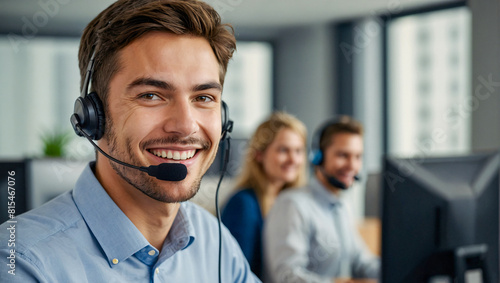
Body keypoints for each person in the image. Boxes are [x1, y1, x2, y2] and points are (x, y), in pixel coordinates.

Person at [0, 0, 261, 282]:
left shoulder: (217, 244)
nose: (185, 125)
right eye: (151, 95)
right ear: (92, 115)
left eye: (203, 98)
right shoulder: (22, 262)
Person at [264, 116, 380, 283]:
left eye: (357, 157)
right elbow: (287, 276)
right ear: (318, 156)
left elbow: (361, 261)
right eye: (343, 155)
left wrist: (402, 270)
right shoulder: (292, 205)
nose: (352, 165)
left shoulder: (342, 206)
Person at [222, 111, 308, 279]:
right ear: (259, 154)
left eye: (298, 151)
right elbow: (236, 274)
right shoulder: (243, 204)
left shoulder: (296, 202)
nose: (293, 159)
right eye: (284, 150)